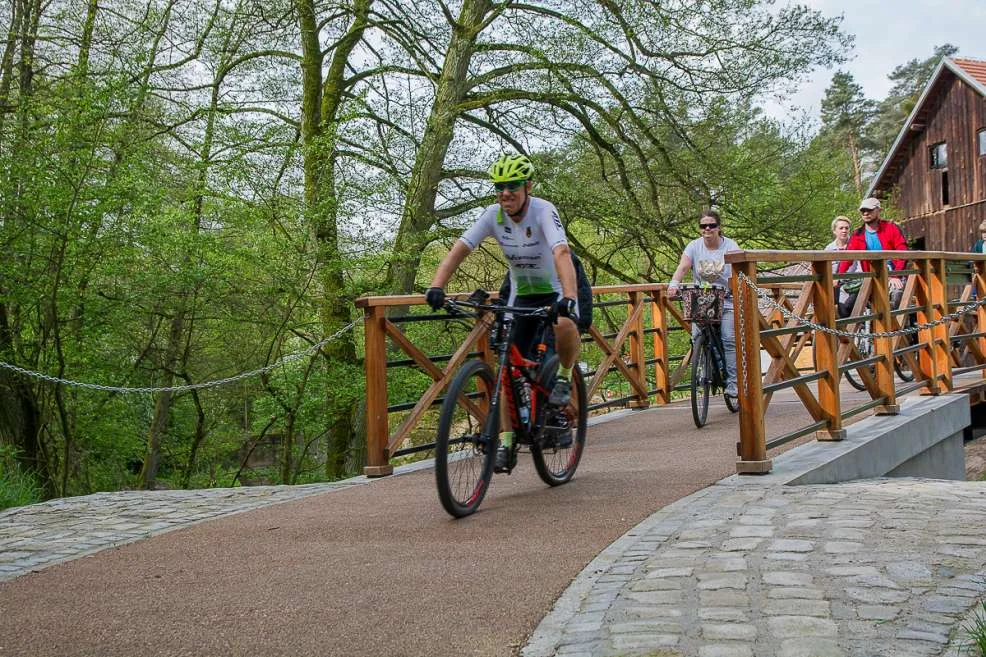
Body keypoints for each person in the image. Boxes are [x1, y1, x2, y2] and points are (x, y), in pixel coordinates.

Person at [425, 153, 581, 472]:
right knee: (506, 365)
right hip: (521, 295)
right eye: (499, 187)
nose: (505, 193)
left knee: (566, 321)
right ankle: (507, 439)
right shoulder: (493, 216)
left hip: (554, 290)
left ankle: (564, 377)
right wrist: (436, 286)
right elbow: (461, 248)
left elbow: (561, 252)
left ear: (527, 186)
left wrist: (569, 297)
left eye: (512, 186)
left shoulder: (543, 211)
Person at [666, 209, 740, 400]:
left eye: (712, 225)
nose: (707, 229)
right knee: (698, 335)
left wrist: (734, 288)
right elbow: (683, 266)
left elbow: (738, 272)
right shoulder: (694, 246)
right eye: (703, 226)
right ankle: (706, 370)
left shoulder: (730, 245)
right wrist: (674, 284)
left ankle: (733, 384)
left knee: (728, 338)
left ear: (719, 228)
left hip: (727, 298)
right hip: (703, 298)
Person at [835, 197, 908, 319]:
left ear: (879, 210)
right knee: (848, 304)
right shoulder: (858, 234)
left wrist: (896, 275)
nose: (866, 213)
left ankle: (894, 331)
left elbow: (903, 251)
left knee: (896, 295)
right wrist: (838, 277)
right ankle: (853, 333)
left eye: (869, 210)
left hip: (892, 274)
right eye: (863, 211)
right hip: (870, 278)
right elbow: (847, 258)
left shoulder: (890, 228)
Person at [825, 215, 857, 307]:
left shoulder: (856, 245)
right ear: (834, 231)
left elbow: (861, 267)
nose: (844, 231)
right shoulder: (829, 249)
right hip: (835, 285)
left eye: (846, 228)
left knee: (845, 307)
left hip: (854, 284)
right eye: (841, 228)